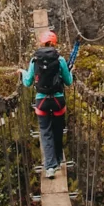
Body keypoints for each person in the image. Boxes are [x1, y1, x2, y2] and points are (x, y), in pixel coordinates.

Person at [19, 30, 73, 178]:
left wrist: (23, 72)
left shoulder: (34, 60)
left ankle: (50, 167)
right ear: (54, 43)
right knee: (57, 130)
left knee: (46, 132)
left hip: (41, 101)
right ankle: (58, 159)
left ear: (41, 43)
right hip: (58, 101)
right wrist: (70, 72)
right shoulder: (60, 59)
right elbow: (68, 82)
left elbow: (28, 82)